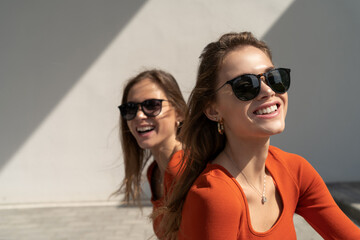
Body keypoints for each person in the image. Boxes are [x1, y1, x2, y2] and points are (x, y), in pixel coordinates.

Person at [160, 32, 360, 239]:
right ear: (213, 110)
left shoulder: (295, 171)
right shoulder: (215, 195)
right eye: (245, 86)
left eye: (274, 78)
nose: (267, 91)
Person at [114, 69, 186, 238]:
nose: (138, 116)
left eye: (152, 105)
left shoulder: (185, 167)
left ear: (179, 113)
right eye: (130, 109)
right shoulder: (154, 172)